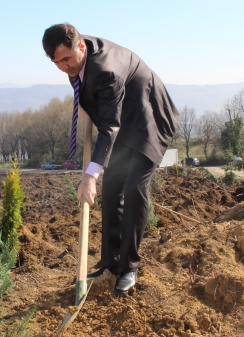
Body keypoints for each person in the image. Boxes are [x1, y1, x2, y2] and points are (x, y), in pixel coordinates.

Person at [41, 24, 178, 294]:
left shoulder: (106, 70)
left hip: (148, 121)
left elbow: (109, 128)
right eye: (56, 62)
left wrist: (90, 176)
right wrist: (87, 103)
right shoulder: (75, 58)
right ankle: (110, 262)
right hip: (120, 122)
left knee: (134, 187)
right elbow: (99, 102)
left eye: (66, 59)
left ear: (81, 46)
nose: (62, 67)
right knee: (112, 188)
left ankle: (128, 268)